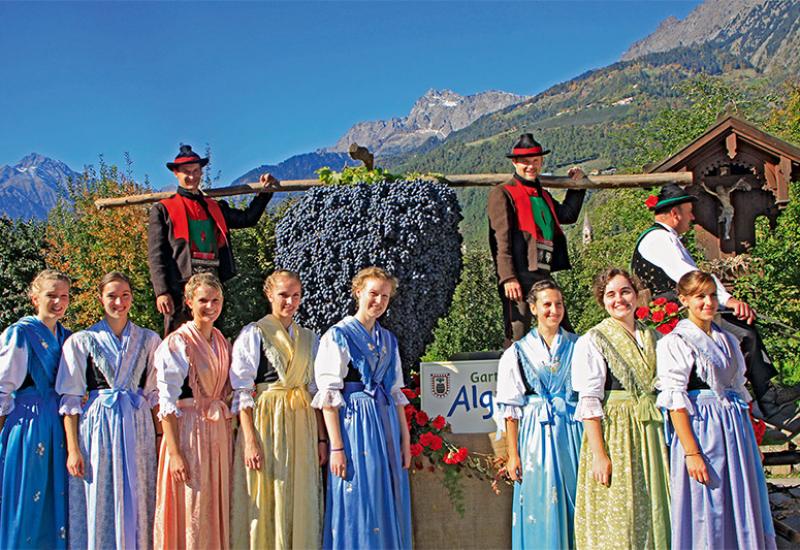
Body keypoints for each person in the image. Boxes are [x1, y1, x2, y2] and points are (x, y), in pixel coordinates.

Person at [630, 183, 795, 415]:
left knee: (743, 328)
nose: (693, 217)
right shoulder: (658, 239)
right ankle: (766, 401)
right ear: (675, 214)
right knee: (742, 332)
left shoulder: (666, 238)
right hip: (672, 312)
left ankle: (766, 394)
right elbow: (690, 277)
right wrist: (729, 301)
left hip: (682, 305)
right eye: (689, 212)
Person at [657, 270, 775, 549]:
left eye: (711, 295)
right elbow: (676, 403)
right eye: (700, 297)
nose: (708, 302)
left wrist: (752, 441)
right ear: (684, 300)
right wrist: (691, 452)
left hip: (735, 430)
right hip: (703, 431)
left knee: (742, 498)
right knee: (709, 504)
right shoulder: (676, 342)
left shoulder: (728, 341)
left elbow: (739, 392)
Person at [56, 272, 161, 550]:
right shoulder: (81, 341)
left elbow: (154, 394)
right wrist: (73, 448)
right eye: (112, 295)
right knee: (101, 492)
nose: (119, 301)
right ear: (101, 299)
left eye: (125, 295)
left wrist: (161, 439)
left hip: (138, 426)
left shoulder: (149, 340)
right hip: (99, 426)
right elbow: (70, 398)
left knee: (139, 493)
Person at [313, 267, 412, 550]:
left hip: (385, 423)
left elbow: (395, 392)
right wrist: (336, 447)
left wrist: (405, 440)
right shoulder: (338, 336)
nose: (378, 301)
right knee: (358, 493)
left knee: (385, 493)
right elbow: (329, 395)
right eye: (373, 293)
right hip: (354, 425)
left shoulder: (388, 340)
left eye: (385, 296)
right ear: (358, 292)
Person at [572, 268, 670, 549]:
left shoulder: (654, 338)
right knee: (623, 509)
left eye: (625, 291)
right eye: (611, 294)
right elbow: (589, 402)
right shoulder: (593, 340)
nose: (619, 300)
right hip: (618, 432)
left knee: (656, 502)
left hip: (652, 427)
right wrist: (599, 455)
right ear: (602, 301)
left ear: (637, 296)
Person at [230, 270, 325, 549]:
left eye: (296, 296)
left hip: (302, 421)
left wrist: (321, 439)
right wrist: (249, 441)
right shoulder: (254, 333)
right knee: (270, 488)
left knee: (300, 491)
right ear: (269, 294)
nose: (290, 302)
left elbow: (315, 391)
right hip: (267, 420)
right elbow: (243, 390)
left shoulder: (309, 338)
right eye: (284, 295)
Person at [147, 144, 279, 335]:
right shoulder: (163, 210)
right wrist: (162, 291)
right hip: (180, 289)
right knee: (179, 340)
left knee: (211, 337)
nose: (192, 176)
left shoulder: (214, 207)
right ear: (176, 173)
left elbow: (247, 219)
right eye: (186, 172)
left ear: (201, 172)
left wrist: (264, 193)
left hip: (212, 287)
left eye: (195, 171)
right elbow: (156, 254)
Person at [495, 279, 582, 549]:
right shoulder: (517, 353)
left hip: (571, 429)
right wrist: (513, 454)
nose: (554, 310)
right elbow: (510, 408)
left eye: (558, 304)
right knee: (539, 501)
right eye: (547, 304)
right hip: (535, 434)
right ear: (533, 308)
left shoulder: (580, 345)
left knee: (576, 498)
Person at [153, 273, 233, 550]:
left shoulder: (222, 341)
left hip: (217, 433)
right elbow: (167, 402)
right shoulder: (178, 343)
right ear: (188, 302)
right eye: (203, 300)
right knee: (192, 503)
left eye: (215, 300)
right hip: (188, 433)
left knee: (214, 501)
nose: (210, 306)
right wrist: (174, 453)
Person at [488, 133, 587, 345]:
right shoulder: (503, 193)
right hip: (519, 272)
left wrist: (577, 186)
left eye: (535, 161)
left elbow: (568, 215)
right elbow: (500, 240)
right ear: (514, 163)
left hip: (542, 270)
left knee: (563, 327)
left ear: (541, 162)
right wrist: (508, 277)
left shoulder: (542, 194)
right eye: (525, 162)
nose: (530, 166)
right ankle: (513, 375)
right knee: (517, 333)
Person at [0, 269, 71, 549]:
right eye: (51, 295)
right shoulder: (20, 333)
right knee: (26, 498)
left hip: (59, 425)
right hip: (28, 424)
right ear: (34, 298)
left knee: (56, 499)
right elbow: (3, 388)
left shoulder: (68, 337)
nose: (58, 302)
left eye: (63, 296)